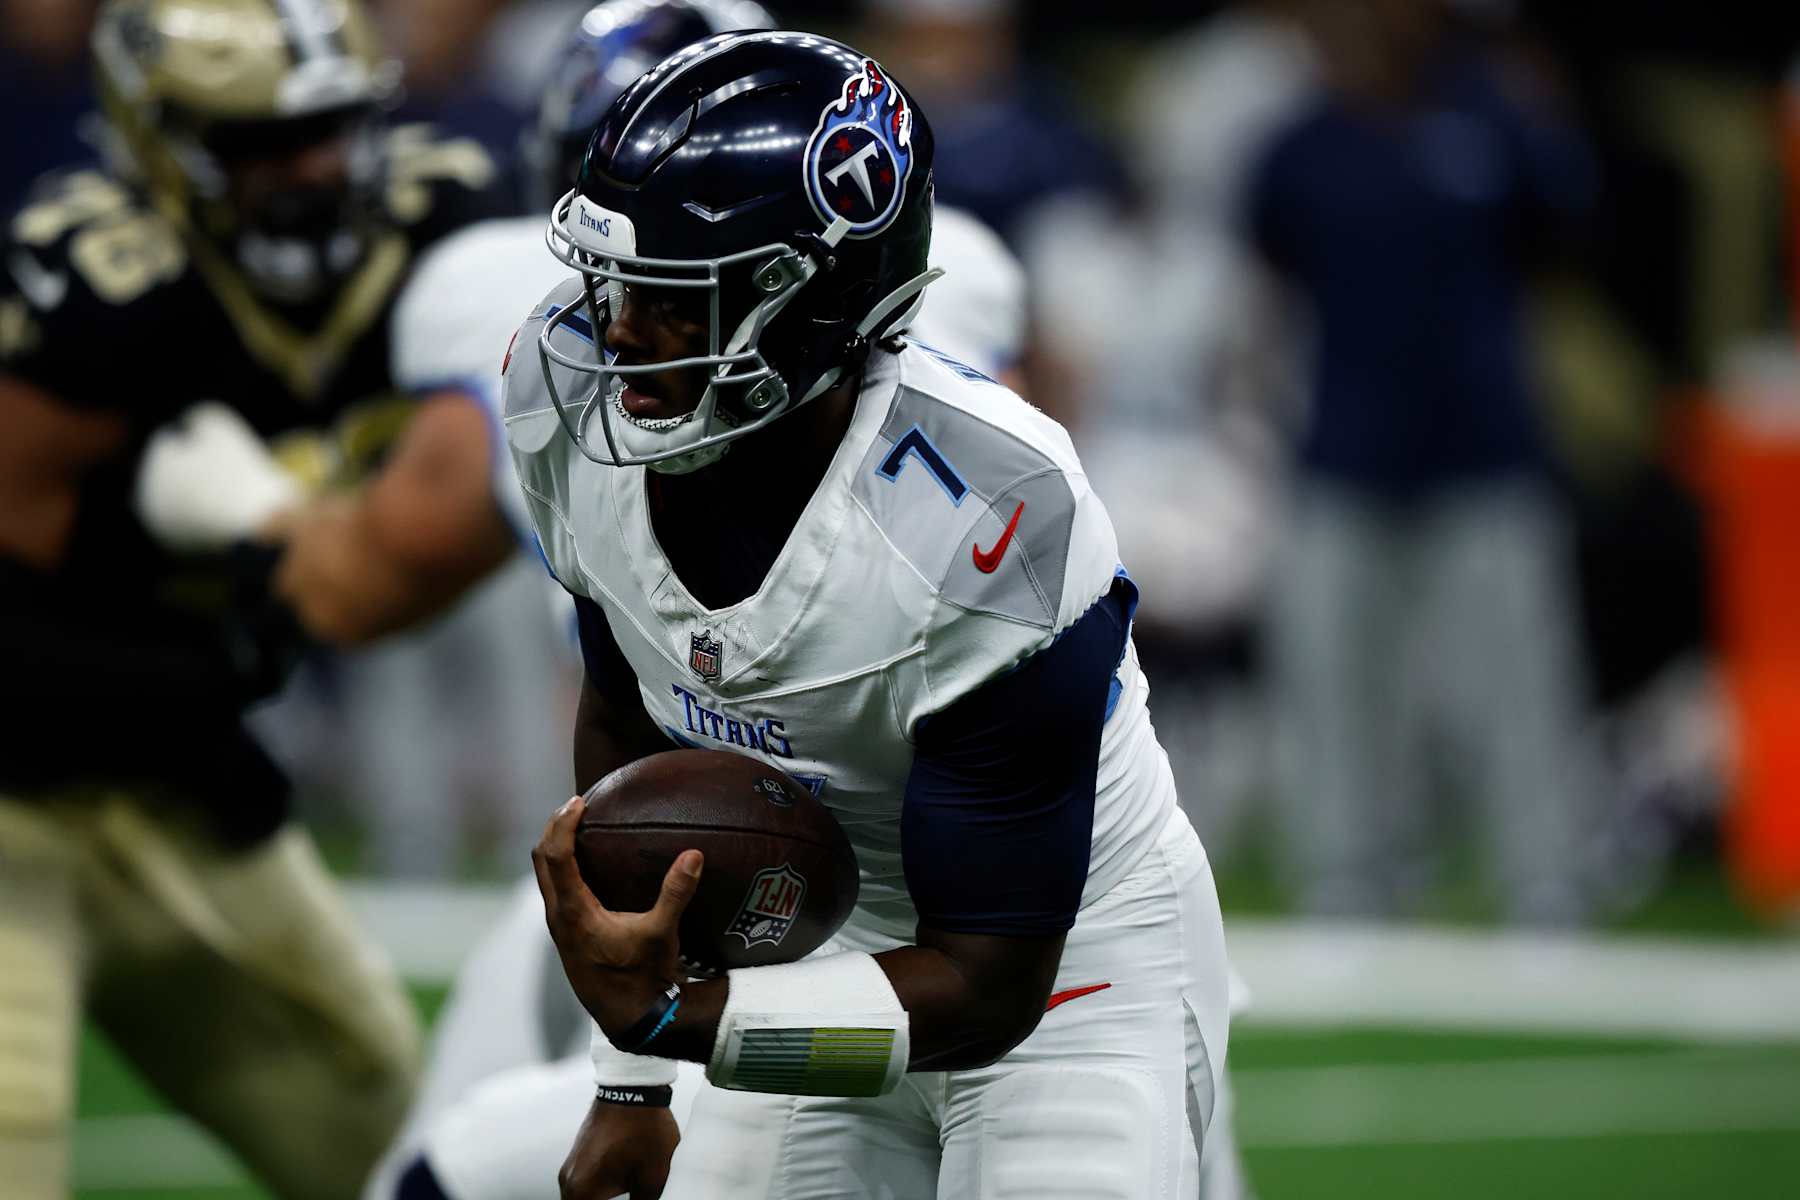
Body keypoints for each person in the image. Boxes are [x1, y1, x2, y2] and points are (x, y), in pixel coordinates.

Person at [509, 30, 1230, 1200]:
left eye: (671, 291)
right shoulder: (560, 386)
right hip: (811, 945)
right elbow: (629, 725)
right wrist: (629, 1077)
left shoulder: (989, 512)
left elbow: (989, 990)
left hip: (1064, 978)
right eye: (611, 279)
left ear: (810, 304)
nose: (618, 327)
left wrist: (684, 1021)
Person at [0, 2, 511, 1196]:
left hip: (183, 778)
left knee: (392, 1128)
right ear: (155, 138)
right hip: (18, 800)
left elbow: (398, 571)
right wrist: (228, 607)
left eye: (332, 129)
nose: (311, 170)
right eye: (257, 143)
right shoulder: (96, 284)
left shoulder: (448, 226)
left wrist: (256, 534)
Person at [1246, 0, 1598, 922]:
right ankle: (1349, 878)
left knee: (1518, 680)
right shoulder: (1300, 145)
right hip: (1344, 447)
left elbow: (1560, 237)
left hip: (1485, 445)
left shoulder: (1495, 120)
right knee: (1335, 679)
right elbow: (1274, 275)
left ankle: (1545, 879)